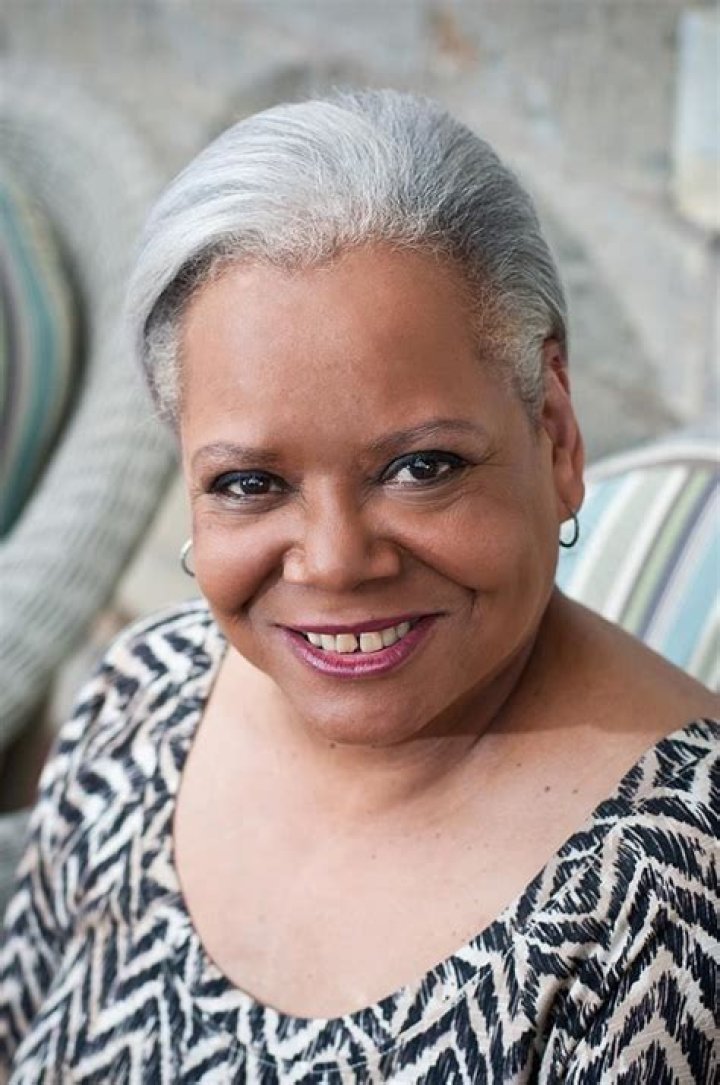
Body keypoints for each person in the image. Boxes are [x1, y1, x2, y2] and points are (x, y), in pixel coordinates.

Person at [0, 89, 717, 1084]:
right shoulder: (143, 702)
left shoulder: (673, 895)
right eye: (250, 484)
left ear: (554, 431)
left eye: (421, 466)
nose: (334, 561)